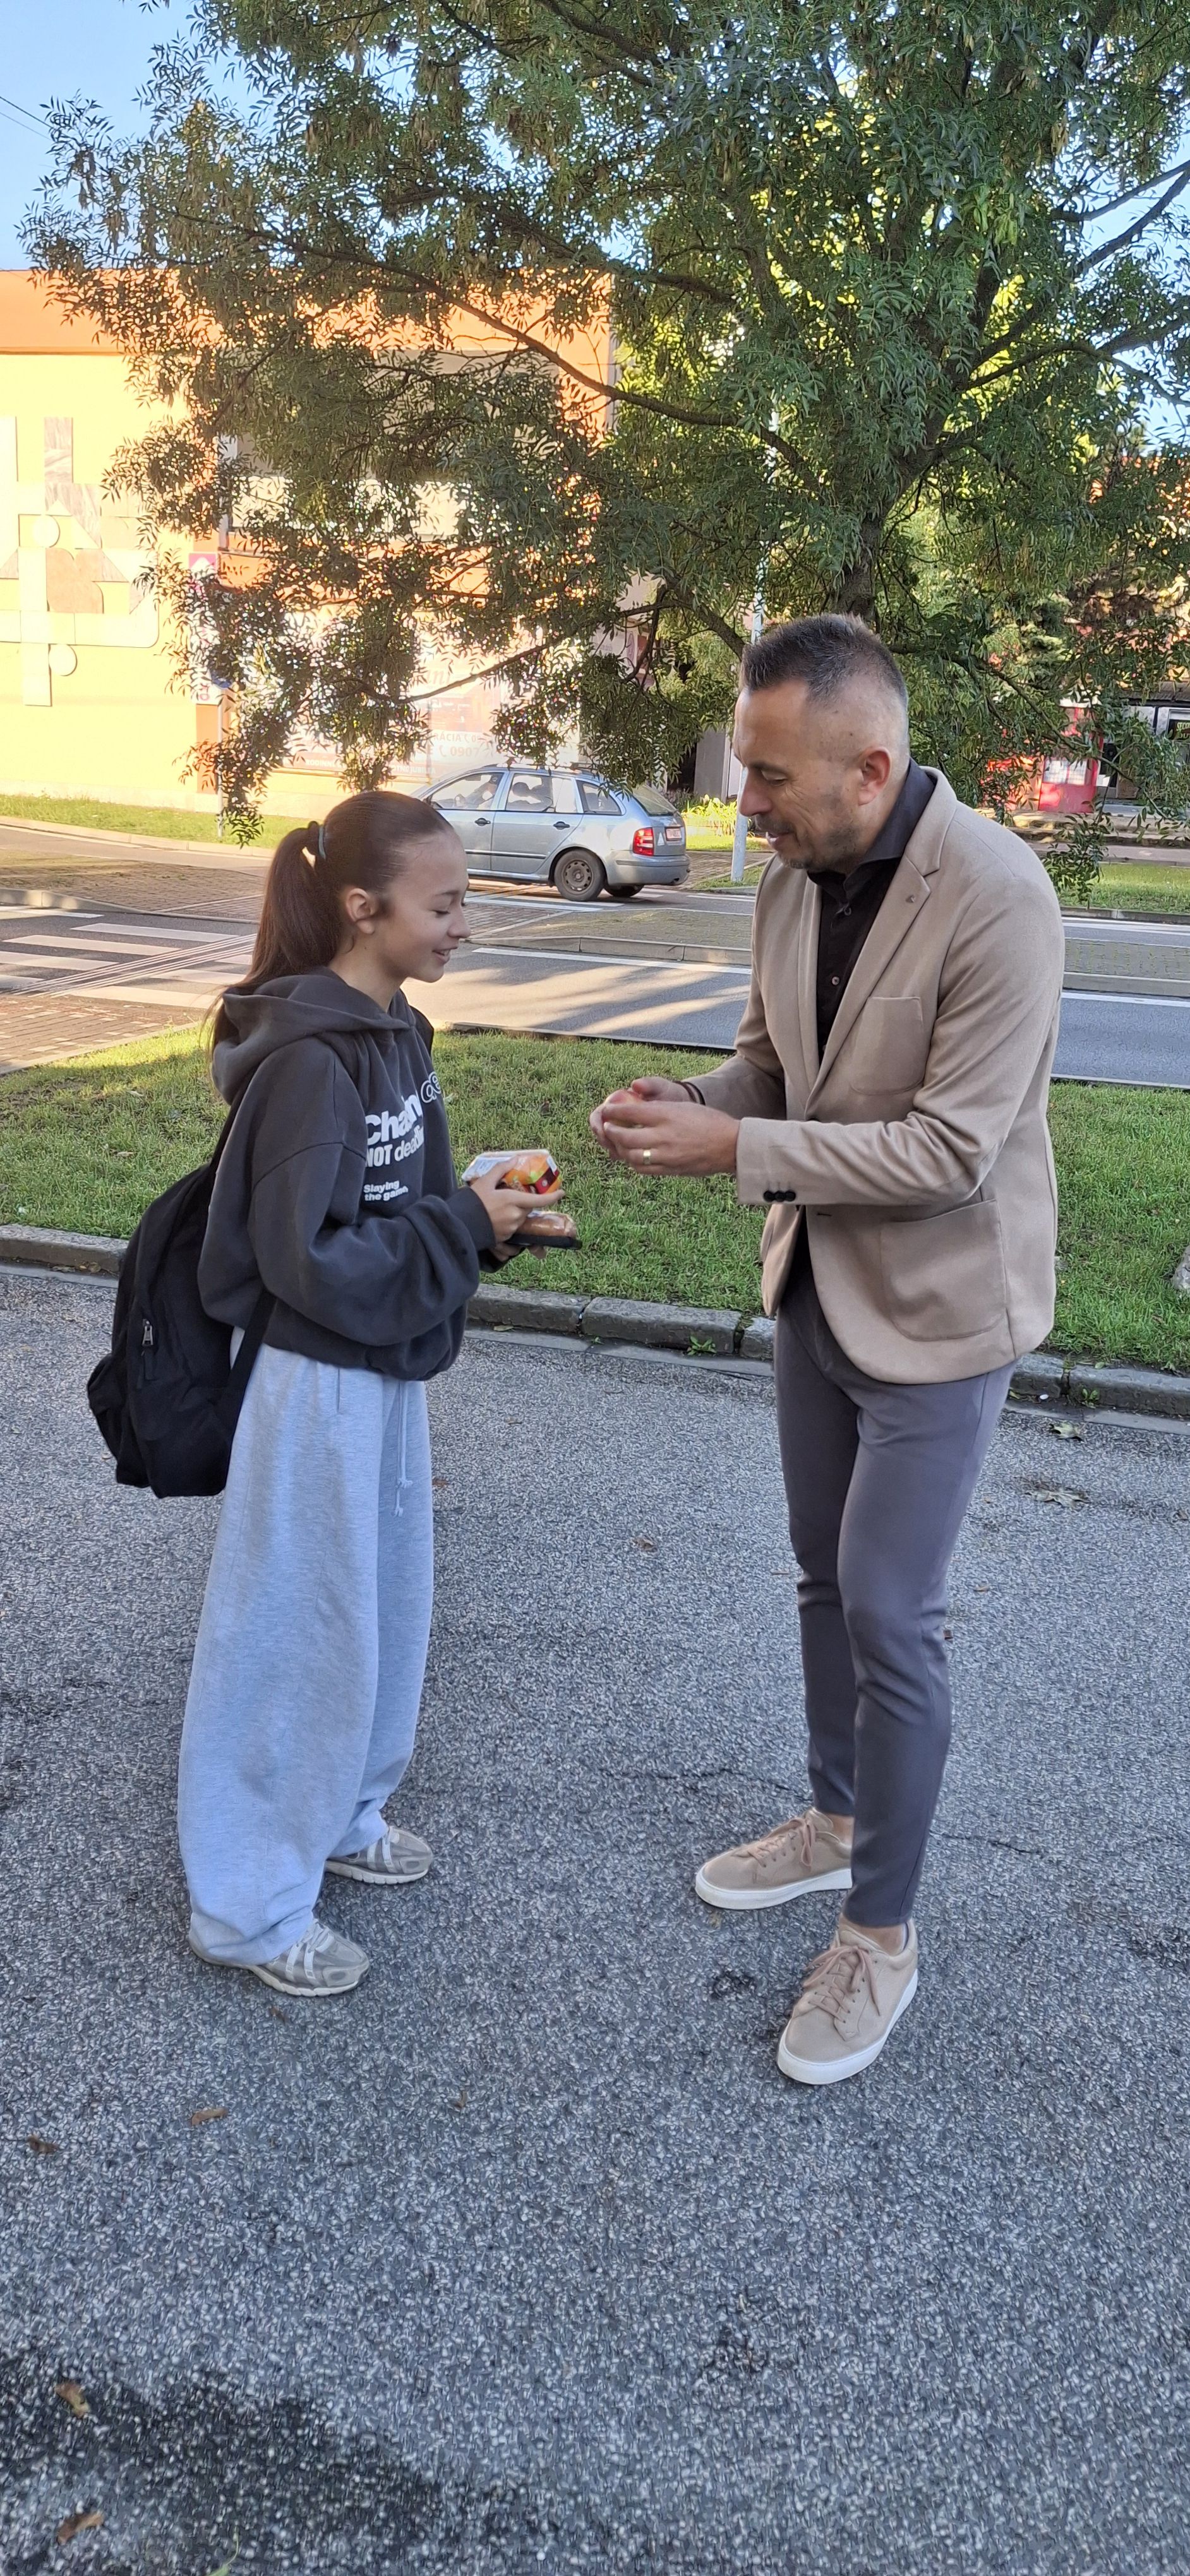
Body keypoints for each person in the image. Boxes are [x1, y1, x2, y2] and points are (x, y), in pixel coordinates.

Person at [592, 614, 1064, 2086]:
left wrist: (738, 1150)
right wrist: (693, 1101)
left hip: (941, 1310)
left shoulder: (1001, 896)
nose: (749, 805)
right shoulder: (793, 880)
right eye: (747, 770)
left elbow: (948, 1151)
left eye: (771, 777)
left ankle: (881, 1933)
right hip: (817, 1288)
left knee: (888, 1609)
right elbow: (770, 1063)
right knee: (819, 1574)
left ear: (870, 767)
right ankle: (841, 1816)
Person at [179, 792, 542, 1999]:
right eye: (445, 905)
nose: (463, 925)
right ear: (361, 908)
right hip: (313, 1381)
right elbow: (301, 1259)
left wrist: (484, 1209)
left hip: (383, 1369)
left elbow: (399, 1206)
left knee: (376, 1609)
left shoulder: (397, 1033)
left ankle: (340, 1813)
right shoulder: (308, 1062)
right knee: (292, 1635)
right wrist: (461, 1227)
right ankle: (245, 1905)